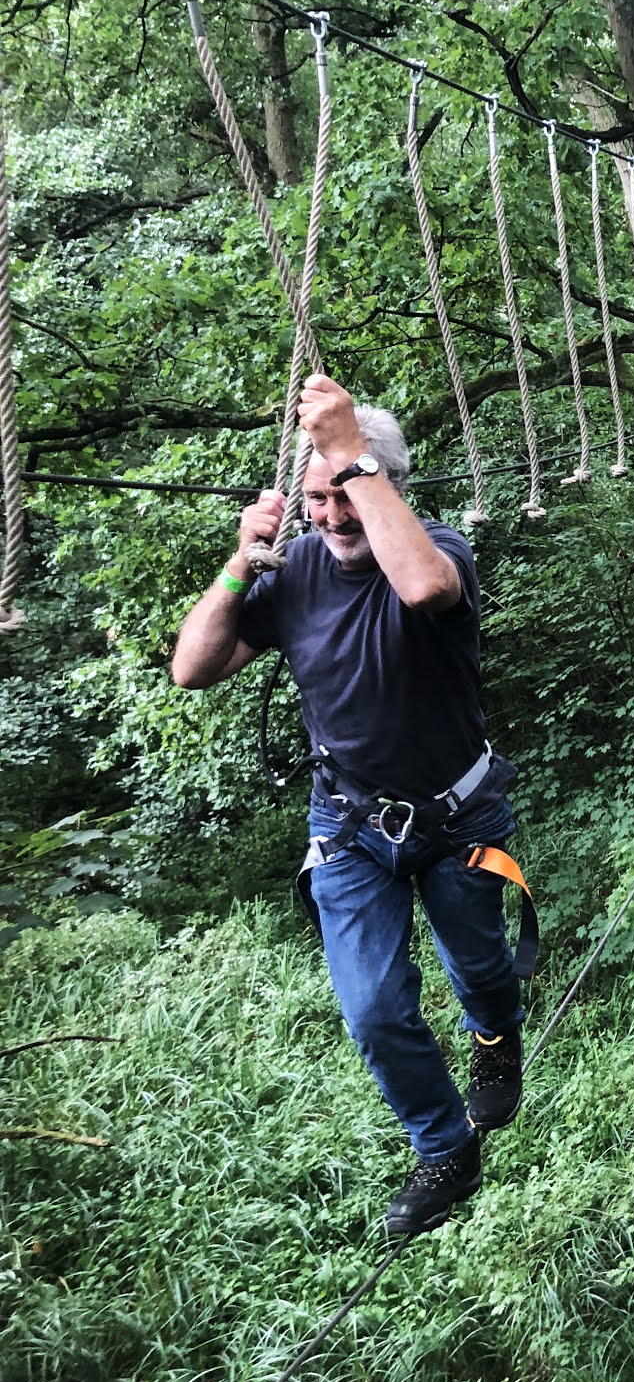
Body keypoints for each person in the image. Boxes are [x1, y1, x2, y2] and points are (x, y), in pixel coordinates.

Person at [170, 375, 531, 1238]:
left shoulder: (437, 549)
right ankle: (444, 1148)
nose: (331, 515)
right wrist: (239, 560)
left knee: (481, 969)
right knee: (373, 1009)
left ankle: (493, 1033)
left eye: (346, 493)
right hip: (351, 826)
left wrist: (347, 454)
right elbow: (192, 668)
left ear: (384, 484)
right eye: (315, 498)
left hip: (456, 819)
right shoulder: (292, 571)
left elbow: (424, 591)